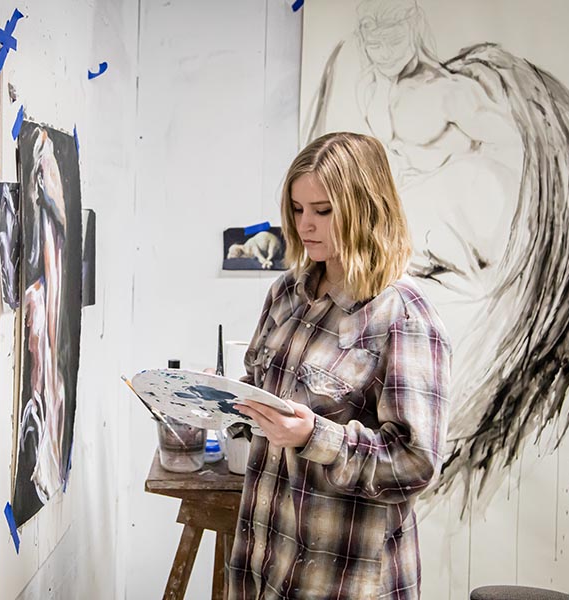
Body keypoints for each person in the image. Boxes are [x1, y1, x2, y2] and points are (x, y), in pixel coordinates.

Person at [302, 0, 569, 506]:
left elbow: (509, 157)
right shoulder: (370, 90)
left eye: (390, 26)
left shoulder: (453, 92)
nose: (379, 41)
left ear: (414, 24)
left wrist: (449, 185)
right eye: (370, 30)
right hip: (411, 240)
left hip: (448, 224)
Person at [229, 132, 451, 599]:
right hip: (264, 565)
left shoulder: (403, 316)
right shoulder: (285, 294)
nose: (305, 224)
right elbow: (262, 393)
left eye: (323, 211)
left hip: (343, 580)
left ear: (366, 208)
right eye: (297, 208)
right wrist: (222, 401)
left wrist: (316, 438)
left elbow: (415, 463)